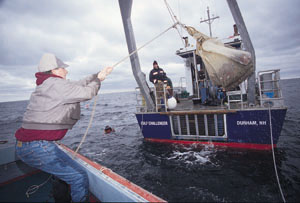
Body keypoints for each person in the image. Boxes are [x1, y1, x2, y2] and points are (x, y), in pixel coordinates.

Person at [14, 53, 113, 202]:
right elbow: (87, 92)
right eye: (63, 69)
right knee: (78, 177)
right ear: (54, 70)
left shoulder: (48, 84)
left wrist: (96, 75)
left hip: (29, 145)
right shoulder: (55, 84)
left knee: (66, 175)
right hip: (37, 147)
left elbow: (78, 84)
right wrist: (98, 80)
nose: (66, 71)